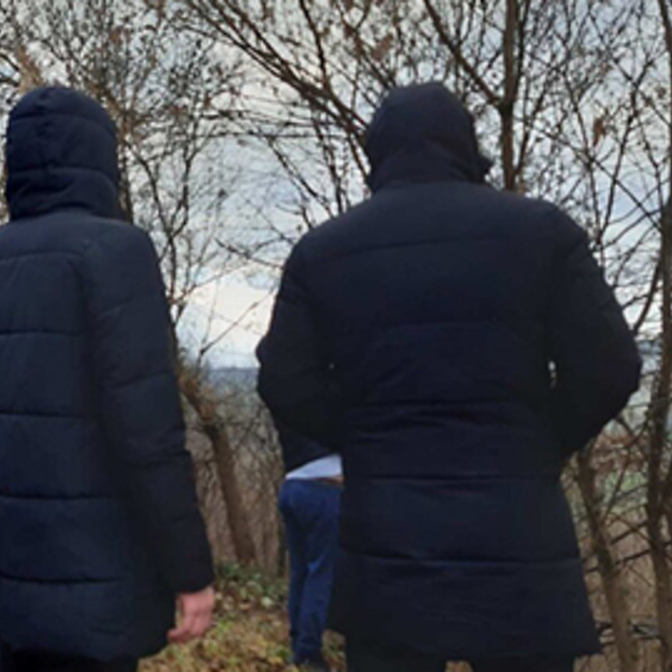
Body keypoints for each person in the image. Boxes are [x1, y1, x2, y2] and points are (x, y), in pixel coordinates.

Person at [257, 82, 641, 672]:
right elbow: (612, 366)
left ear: (376, 152)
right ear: (466, 146)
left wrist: (367, 439)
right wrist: (539, 443)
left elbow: (284, 380)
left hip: (389, 545)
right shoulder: (543, 232)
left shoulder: (324, 251)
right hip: (519, 537)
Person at [0, 86, 217, 672]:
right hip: (97, 574)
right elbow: (148, 430)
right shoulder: (117, 250)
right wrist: (190, 571)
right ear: (101, 158)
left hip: (12, 566)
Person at [275, 423, 340, 672]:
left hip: (292, 485)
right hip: (324, 488)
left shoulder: (291, 398)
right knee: (321, 573)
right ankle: (309, 651)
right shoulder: (331, 395)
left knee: (301, 571)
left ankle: (298, 643)